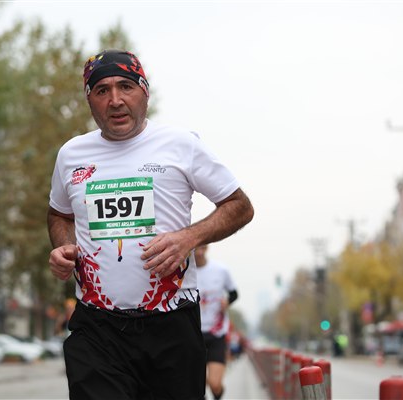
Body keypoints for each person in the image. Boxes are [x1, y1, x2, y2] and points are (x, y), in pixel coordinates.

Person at [47, 49, 254, 400]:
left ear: (145, 92)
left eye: (126, 87)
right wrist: (63, 245)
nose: (115, 100)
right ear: (89, 100)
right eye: (102, 90)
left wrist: (188, 238)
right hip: (97, 327)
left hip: (170, 326)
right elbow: (59, 214)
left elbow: (240, 206)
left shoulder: (180, 144)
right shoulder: (71, 155)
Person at [194, 244, 238, 400]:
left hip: (216, 334)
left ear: (207, 248)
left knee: (215, 384)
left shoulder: (220, 270)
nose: (199, 252)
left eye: (202, 247)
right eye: (196, 248)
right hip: (193, 333)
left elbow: (234, 293)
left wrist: (227, 302)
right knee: (195, 385)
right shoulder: (185, 272)